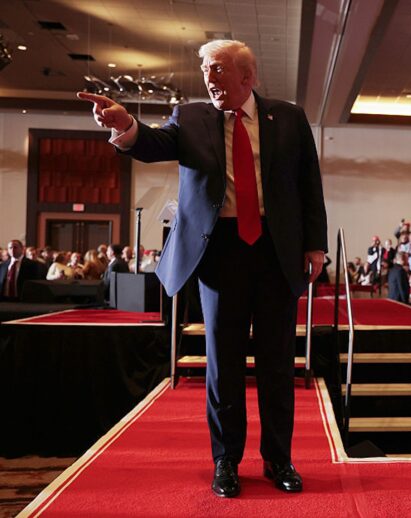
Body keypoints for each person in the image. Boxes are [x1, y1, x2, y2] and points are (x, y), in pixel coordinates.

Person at [78, 39, 328, 498]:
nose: (209, 79)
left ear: (247, 78)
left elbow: (309, 183)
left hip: (277, 251)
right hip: (221, 254)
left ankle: (279, 459)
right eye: (206, 71)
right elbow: (152, 143)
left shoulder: (288, 117)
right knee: (224, 363)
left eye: (218, 70)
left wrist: (316, 246)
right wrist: (126, 126)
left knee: (276, 364)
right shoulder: (190, 117)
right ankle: (226, 461)